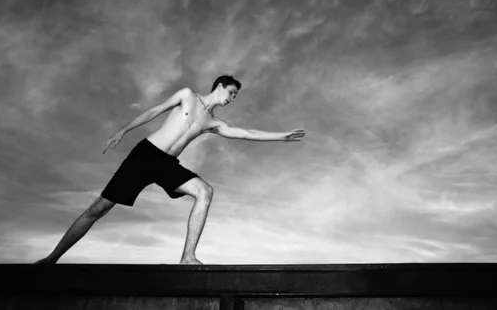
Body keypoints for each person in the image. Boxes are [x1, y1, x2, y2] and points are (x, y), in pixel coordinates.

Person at [35, 74, 305, 265]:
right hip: (145, 155)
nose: (232, 98)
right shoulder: (188, 96)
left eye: (235, 96)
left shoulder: (214, 122)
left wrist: (280, 136)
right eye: (232, 92)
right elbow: (154, 111)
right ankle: (52, 259)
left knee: (204, 191)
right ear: (220, 86)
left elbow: (244, 133)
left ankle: (187, 258)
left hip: (167, 165)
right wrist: (123, 130)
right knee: (99, 208)